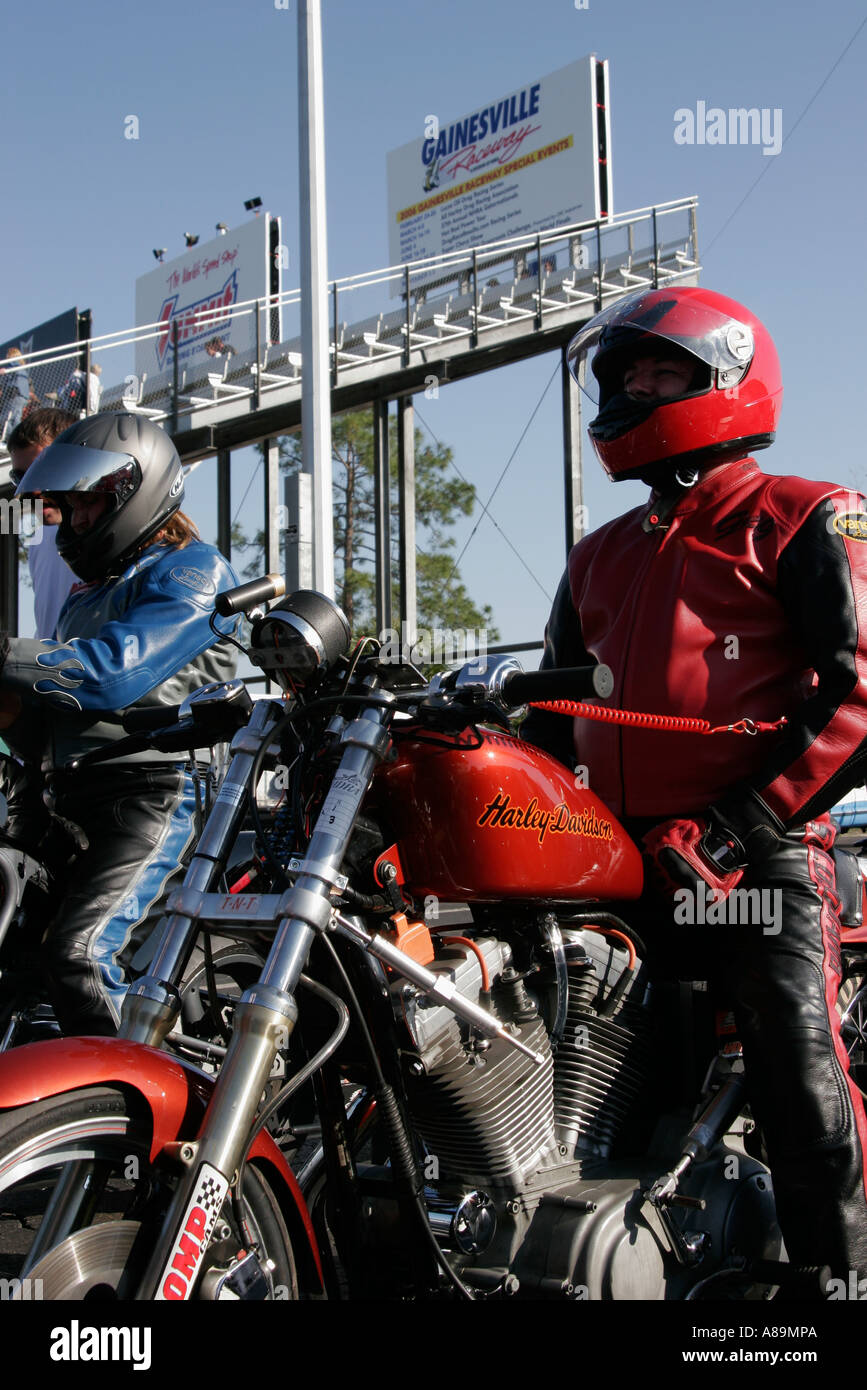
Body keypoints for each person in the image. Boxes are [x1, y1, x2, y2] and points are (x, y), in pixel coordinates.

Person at [521, 286, 867, 1286]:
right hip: (615, 858)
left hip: (752, 856)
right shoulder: (597, 556)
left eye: (658, 371)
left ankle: (836, 1283)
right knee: (582, 1065)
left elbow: (859, 693)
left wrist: (736, 826)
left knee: (800, 1074)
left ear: (727, 378)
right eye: (623, 375)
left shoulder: (807, 514)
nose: (633, 388)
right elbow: (544, 719)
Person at [0, 412, 240, 1035]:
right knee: (13, 957)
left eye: (88, 505)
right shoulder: (87, 594)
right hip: (66, 797)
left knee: (78, 958)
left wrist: (5, 657)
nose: (77, 521)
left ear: (135, 494)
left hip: (155, 798)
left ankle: (143, 1118)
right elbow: (59, 713)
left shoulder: (191, 573)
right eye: (69, 507)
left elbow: (110, 677)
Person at [8, 407, 79, 638]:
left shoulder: (118, 543)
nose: (35, 489)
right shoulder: (39, 541)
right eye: (22, 477)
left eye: (44, 469)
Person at [1, 347, 38, 438]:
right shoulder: (23, 369)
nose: (6, 357)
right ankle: (15, 438)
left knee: (8, 418)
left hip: (15, 395)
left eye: (8, 355)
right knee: (16, 417)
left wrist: (4, 371)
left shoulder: (14, 365)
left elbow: (10, 370)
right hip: (22, 396)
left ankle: (9, 438)